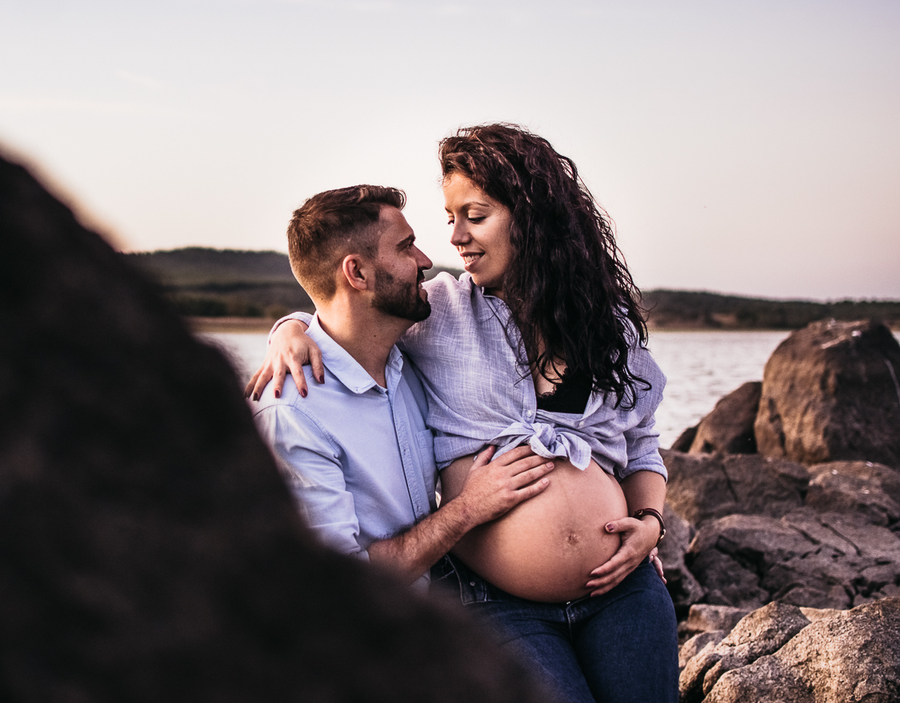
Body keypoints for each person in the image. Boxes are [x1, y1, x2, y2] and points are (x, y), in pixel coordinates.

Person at [249, 124, 678, 703]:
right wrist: (291, 328)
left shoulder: (606, 328)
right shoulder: (441, 315)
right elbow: (350, 309)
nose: (453, 239)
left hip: (622, 590)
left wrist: (649, 523)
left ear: (531, 216)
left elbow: (643, 444)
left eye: (473, 216)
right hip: (498, 605)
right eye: (450, 219)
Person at [251, 184, 556, 589]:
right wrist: (467, 509)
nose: (426, 260)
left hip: (444, 611)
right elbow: (338, 585)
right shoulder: (294, 411)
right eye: (406, 247)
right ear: (357, 273)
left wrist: (290, 325)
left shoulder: (408, 361)